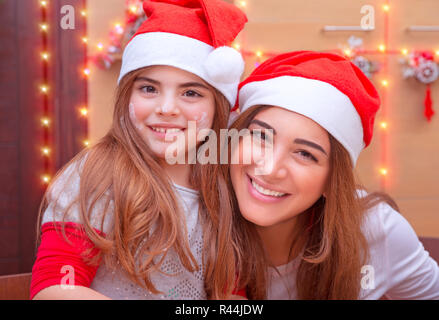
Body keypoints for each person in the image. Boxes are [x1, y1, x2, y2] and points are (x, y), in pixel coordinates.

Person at [30, 0, 247, 300]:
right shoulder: (95, 176)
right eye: (149, 89)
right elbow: (55, 288)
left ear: (218, 108)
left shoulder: (225, 184)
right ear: (127, 96)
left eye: (191, 93)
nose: (167, 108)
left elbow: (231, 292)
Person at [227, 51, 439, 299]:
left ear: (332, 182)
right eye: (261, 137)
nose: (271, 169)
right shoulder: (190, 219)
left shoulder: (375, 229)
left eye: (305, 154)